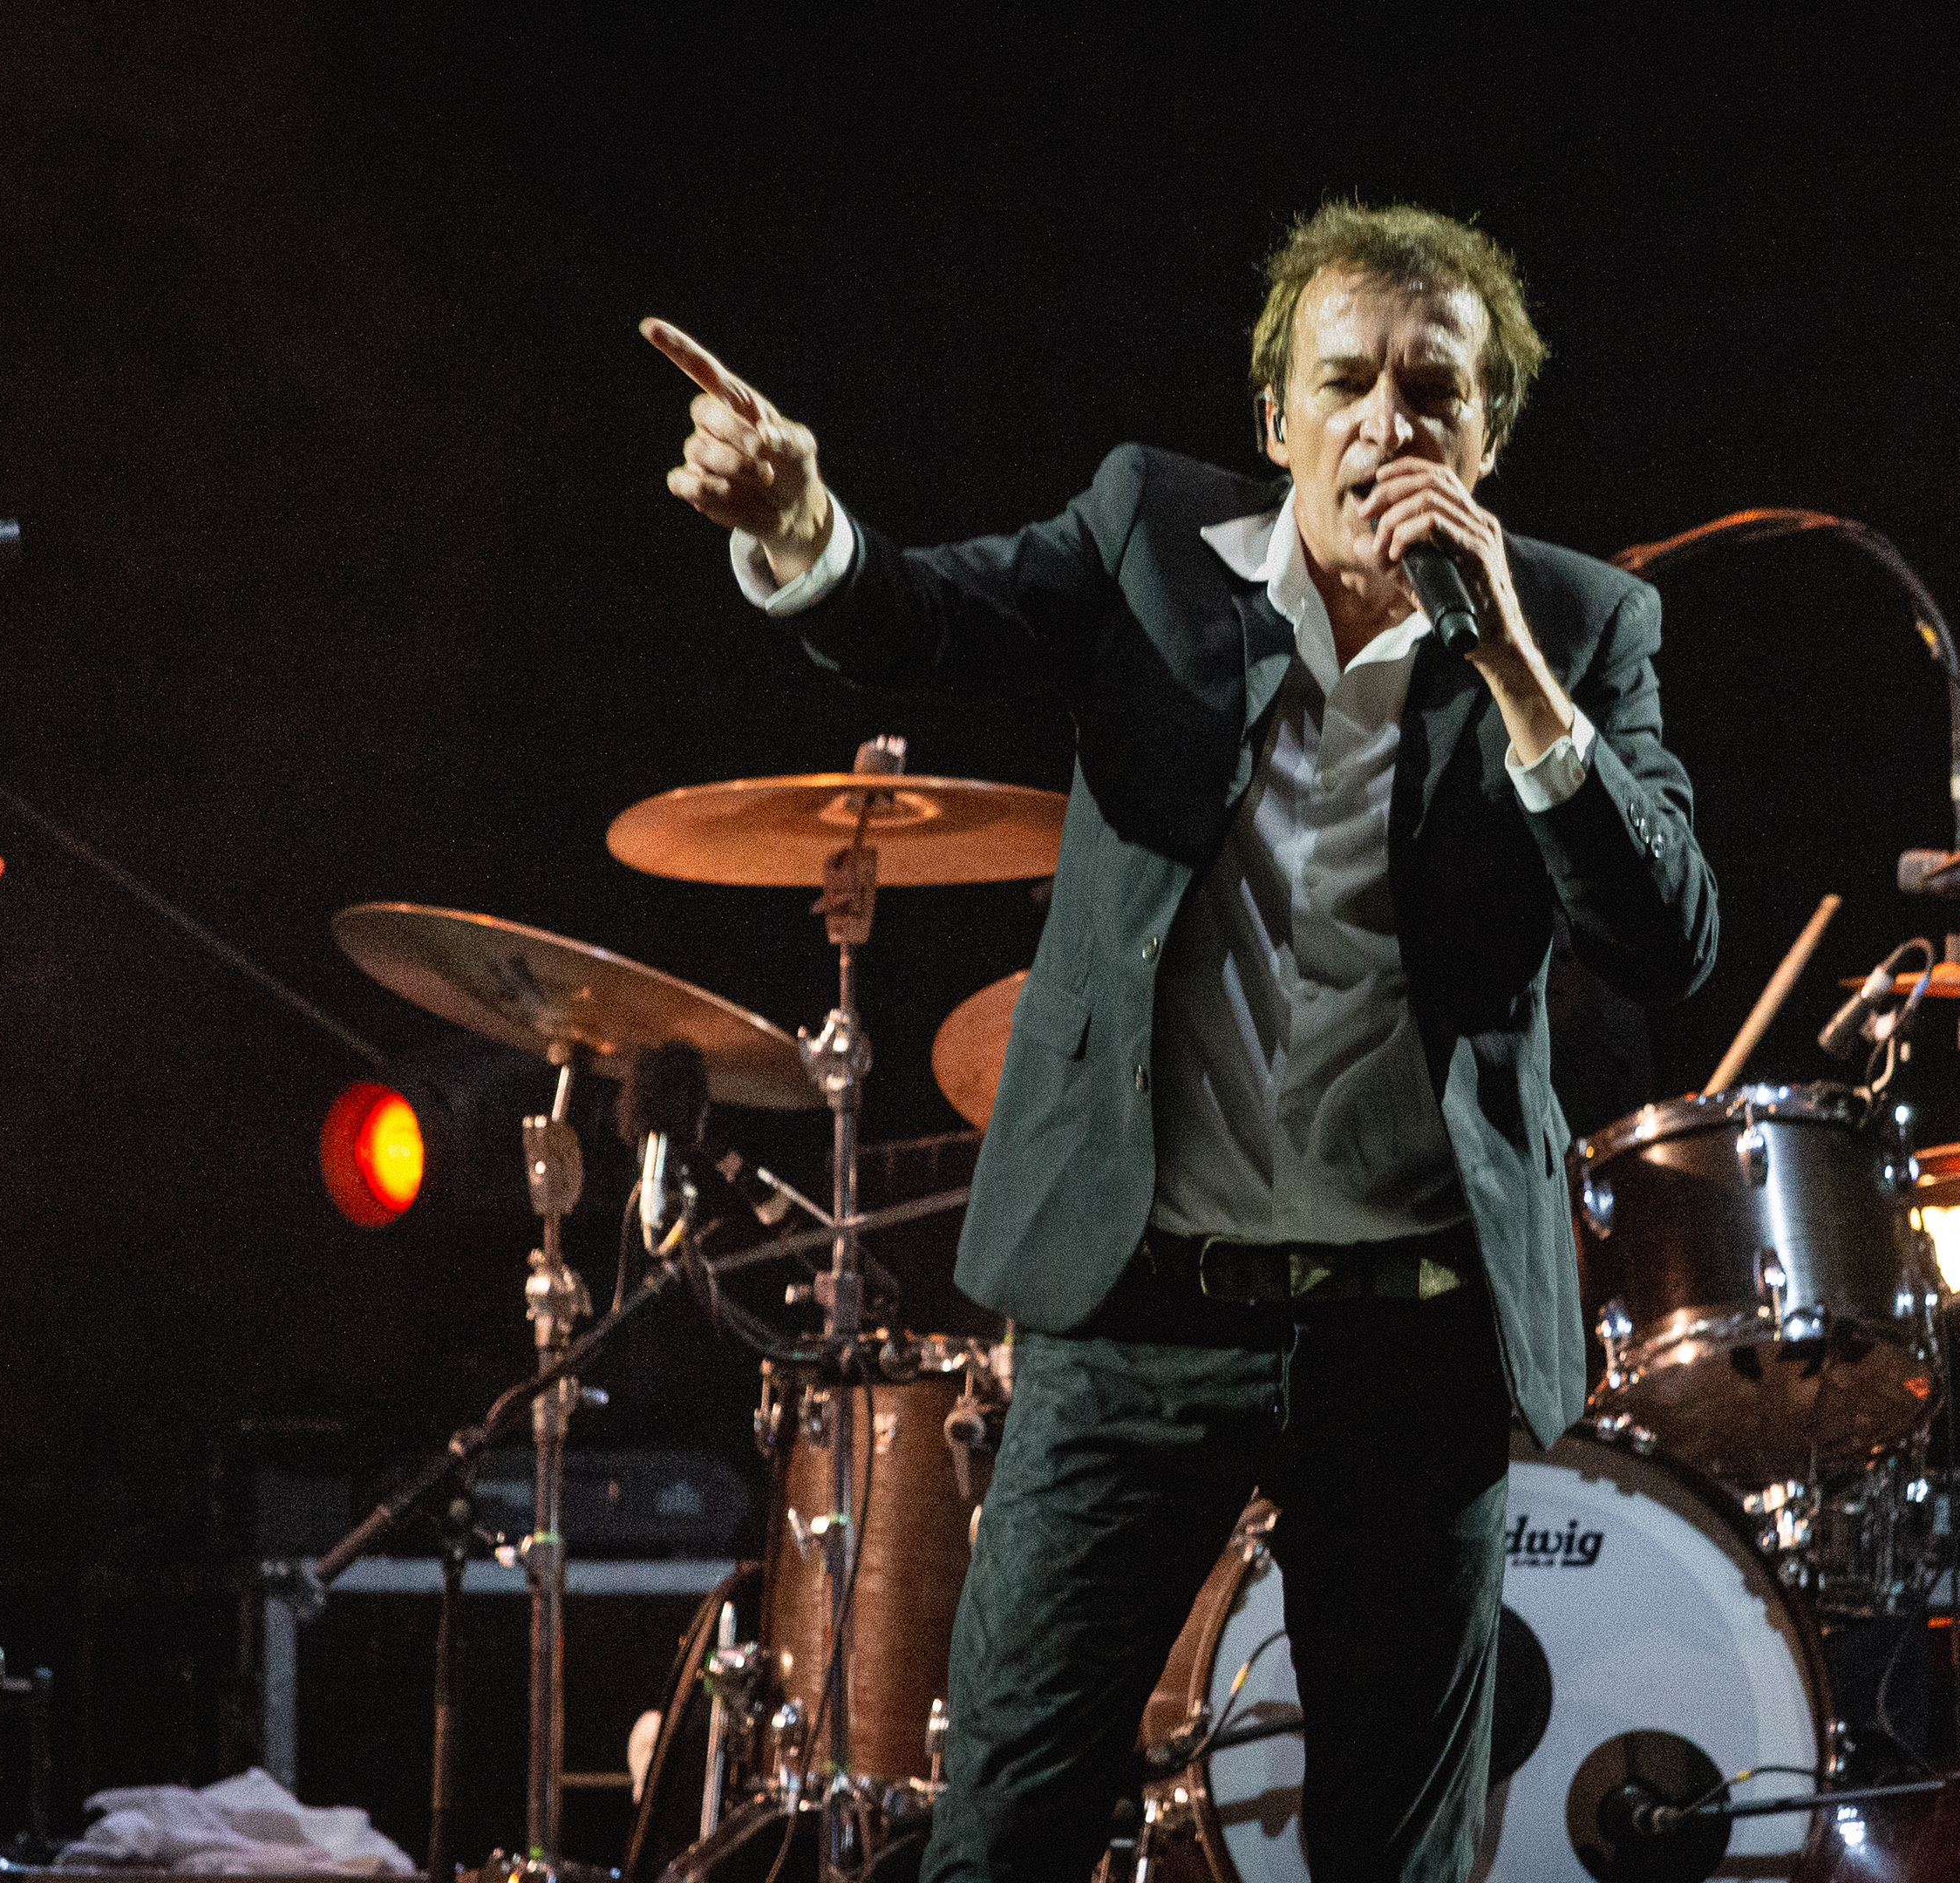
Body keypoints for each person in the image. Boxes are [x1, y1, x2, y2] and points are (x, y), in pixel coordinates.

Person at [649, 201, 1719, 1883]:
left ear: (1489, 437)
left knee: (1395, 1858)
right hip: (1142, 1314)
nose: (1386, 427)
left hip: (1410, 1334)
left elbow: (1667, 937)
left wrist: (1513, 666)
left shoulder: (1585, 628)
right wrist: (803, 528)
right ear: (1275, 418)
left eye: (1432, 393)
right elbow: (925, 618)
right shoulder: (1150, 538)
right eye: (1346, 384)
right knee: (1006, 1827)